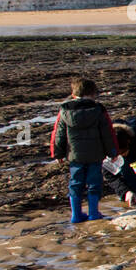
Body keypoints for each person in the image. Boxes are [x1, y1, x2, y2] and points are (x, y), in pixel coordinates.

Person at [48, 76, 119, 223]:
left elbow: (58, 134)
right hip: (95, 154)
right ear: (93, 94)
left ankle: (76, 215)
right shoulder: (98, 109)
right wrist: (112, 152)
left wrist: (57, 153)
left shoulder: (64, 110)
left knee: (75, 183)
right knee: (94, 182)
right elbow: (108, 133)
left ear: (74, 94)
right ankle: (93, 213)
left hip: (75, 155)